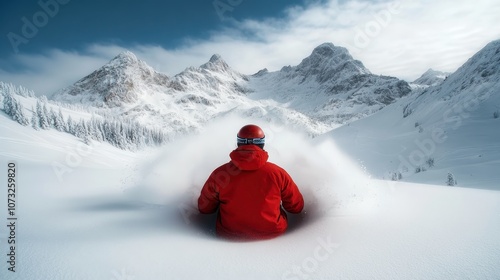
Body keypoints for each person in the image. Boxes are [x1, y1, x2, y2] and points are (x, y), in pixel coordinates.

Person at [198, 124, 304, 240]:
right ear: (262, 144)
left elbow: (205, 208)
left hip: (230, 236)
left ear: (239, 143)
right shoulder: (278, 173)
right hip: (274, 235)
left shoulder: (220, 174)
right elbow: (296, 208)